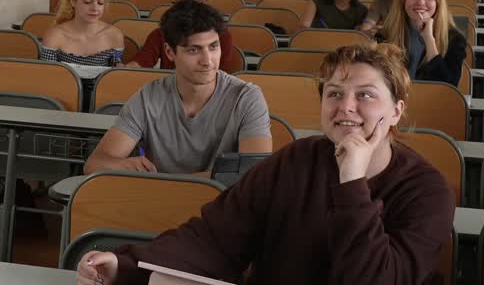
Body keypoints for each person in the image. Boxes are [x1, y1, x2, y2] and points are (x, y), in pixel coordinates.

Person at [76, 41, 454, 285]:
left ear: (396, 111)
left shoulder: (428, 191)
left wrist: (351, 180)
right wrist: (124, 267)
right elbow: (215, 238)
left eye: (366, 95)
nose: (346, 108)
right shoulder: (295, 160)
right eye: (334, 94)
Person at [85, 0, 270, 175]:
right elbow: (94, 164)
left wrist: (173, 185)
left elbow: (252, 175)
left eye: (213, 47)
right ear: (169, 52)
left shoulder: (247, 98)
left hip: (221, 203)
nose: (207, 61)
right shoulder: (148, 97)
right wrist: (120, 164)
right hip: (160, 201)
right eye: (194, 50)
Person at [129, 0, 240, 73]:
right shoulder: (161, 33)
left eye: (183, 3)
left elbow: (222, 75)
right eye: (173, 3)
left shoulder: (221, 36)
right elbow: (141, 61)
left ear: (202, 1)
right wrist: (122, 69)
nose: (176, 9)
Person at [379, 0, 467, 85]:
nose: (421, 2)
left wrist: (429, 40)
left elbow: (447, 87)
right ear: (402, 0)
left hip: (433, 102)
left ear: (438, 3)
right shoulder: (385, 35)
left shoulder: (455, 39)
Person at [42, 0, 126, 66]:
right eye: (87, 2)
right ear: (73, 1)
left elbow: (114, 74)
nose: (95, 8)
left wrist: (120, 69)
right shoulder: (54, 36)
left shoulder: (114, 35)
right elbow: (48, 76)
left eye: (100, 2)